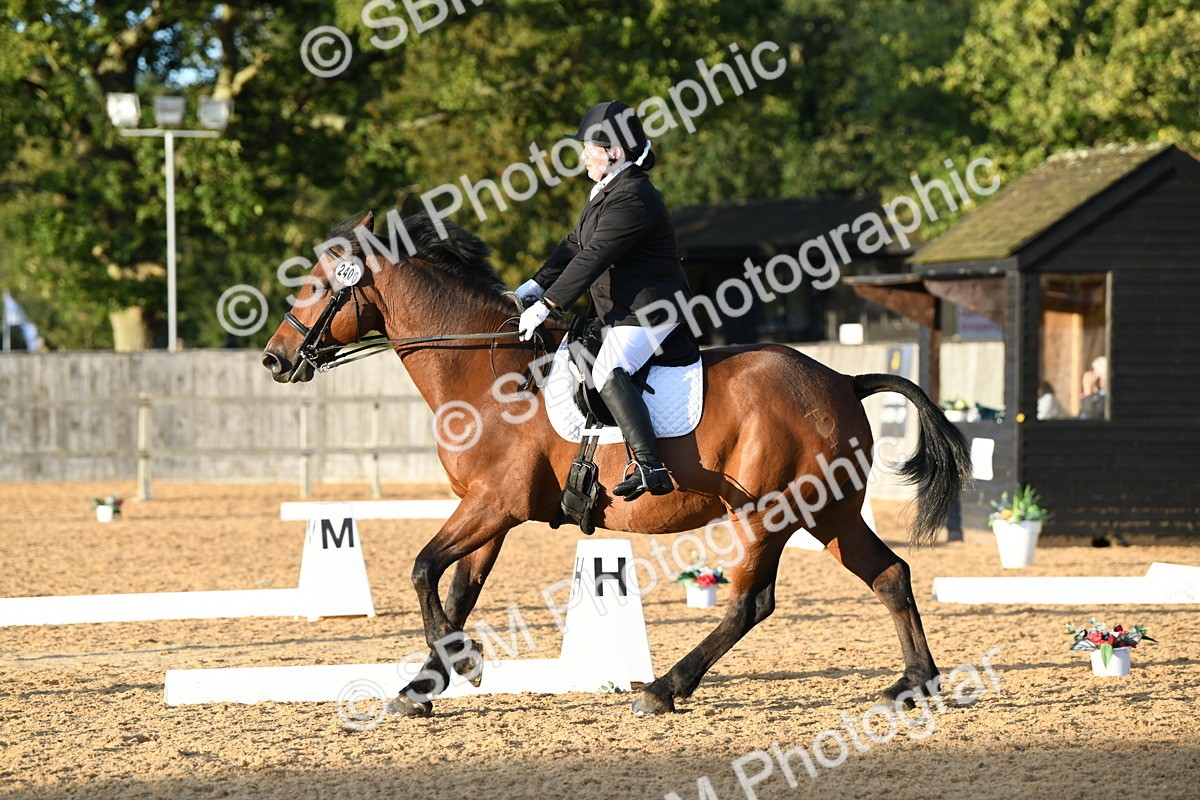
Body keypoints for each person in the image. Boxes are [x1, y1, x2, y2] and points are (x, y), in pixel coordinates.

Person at [515, 100, 698, 501]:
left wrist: (548, 306)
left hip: (652, 311)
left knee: (607, 371)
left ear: (614, 152)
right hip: (622, 312)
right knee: (578, 354)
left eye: (589, 148)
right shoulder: (606, 190)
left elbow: (595, 254)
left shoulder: (633, 197)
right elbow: (573, 245)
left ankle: (651, 466)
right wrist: (532, 286)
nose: (582, 156)